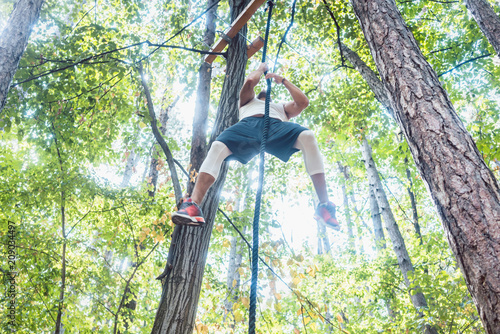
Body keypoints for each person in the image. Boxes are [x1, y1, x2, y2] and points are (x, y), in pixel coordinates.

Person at [172, 63, 340, 230]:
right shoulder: (247, 102)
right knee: (217, 146)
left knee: (308, 136)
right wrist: (261, 69)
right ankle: (192, 205)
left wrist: (284, 81)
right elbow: (250, 82)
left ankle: (324, 205)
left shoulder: (281, 108)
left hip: (276, 128)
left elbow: (303, 102)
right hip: (247, 127)